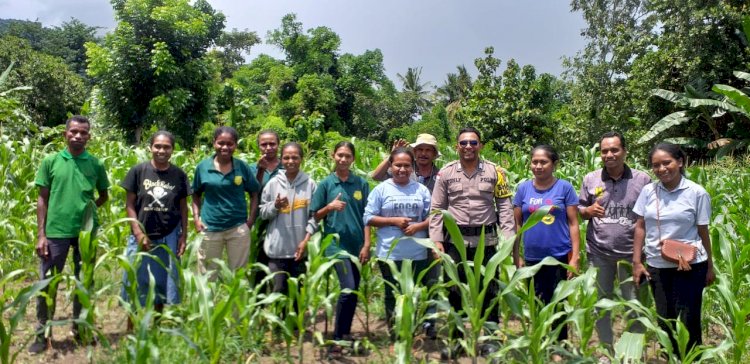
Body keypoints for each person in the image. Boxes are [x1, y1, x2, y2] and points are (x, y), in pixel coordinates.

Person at [429, 127, 516, 359]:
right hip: (454, 241)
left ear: (481, 146)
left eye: (473, 143)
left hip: (486, 241)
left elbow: (505, 207)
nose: (468, 147)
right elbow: (437, 209)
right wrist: (436, 241)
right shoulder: (446, 174)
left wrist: (508, 240)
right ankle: (457, 340)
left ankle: (490, 340)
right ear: (457, 146)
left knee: (489, 289)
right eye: (464, 143)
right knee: (454, 290)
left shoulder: (495, 172)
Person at [30, 115, 110, 354]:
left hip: (85, 233)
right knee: (47, 283)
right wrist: (41, 234)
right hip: (55, 232)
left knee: (83, 283)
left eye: (83, 133)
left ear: (89, 136)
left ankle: (81, 330)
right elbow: (42, 198)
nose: (78, 136)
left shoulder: (95, 164)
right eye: (74, 131)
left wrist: (88, 212)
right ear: (65, 134)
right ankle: (42, 335)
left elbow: (104, 195)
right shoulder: (51, 161)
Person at [632, 143, 714, 357]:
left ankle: (691, 358)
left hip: (689, 266)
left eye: (666, 162)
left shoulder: (697, 192)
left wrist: (710, 267)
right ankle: (670, 356)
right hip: (657, 265)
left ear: (680, 162)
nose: (661, 169)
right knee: (664, 317)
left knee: (688, 317)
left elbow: (703, 231)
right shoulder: (648, 191)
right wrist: (637, 262)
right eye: (656, 165)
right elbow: (640, 226)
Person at [579, 132, 651, 351]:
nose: (609, 155)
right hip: (599, 253)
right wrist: (588, 211)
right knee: (601, 305)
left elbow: (649, 217)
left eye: (614, 150)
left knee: (635, 306)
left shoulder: (642, 180)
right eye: (604, 151)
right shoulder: (591, 179)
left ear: (624, 151)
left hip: (632, 255)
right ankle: (606, 350)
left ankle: (633, 351)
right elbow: (578, 211)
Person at [512, 145, 580, 354]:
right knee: (536, 303)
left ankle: (559, 347)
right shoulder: (523, 189)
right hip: (532, 258)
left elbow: (573, 223)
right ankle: (540, 344)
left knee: (558, 304)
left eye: (544, 162)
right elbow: (517, 226)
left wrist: (575, 257)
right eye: (535, 162)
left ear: (554, 164)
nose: (538, 166)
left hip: (559, 256)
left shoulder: (564, 188)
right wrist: (517, 255)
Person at [120, 131, 190, 329]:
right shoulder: (138, 171)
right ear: (150, 148)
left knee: (161, 281)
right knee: (134, 279)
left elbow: (183, 207)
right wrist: (138, 232)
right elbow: (130, 205)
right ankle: (131, 327)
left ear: (172, 150)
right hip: (141, 236)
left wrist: (183, 235)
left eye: (166, 147)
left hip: (168, 235)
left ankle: (157, 325)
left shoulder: (178, 175)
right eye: (157, 146)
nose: (161, 150)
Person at [363, 148, 432, 340]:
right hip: (389, 254)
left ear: (412, 167)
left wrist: (418, 226)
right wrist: (393, 221)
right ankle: (395, 335)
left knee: (414, 293)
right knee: (391, 294)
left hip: (417, 253)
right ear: (391, 166)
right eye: (398, 165)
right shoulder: (381, 189)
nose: (402, 169)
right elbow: (368, 218)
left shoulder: (421, 189)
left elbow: (433, 217)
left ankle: (412, 331)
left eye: (406, 165)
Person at [310, 141, 371, 355]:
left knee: (352, 292)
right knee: (348, 288)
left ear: (353, 159)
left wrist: (367, 244)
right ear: (333, 156)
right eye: (340, 155)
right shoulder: (326, 184)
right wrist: (329, 207)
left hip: (357, 246)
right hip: (335, 246)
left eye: (347, 156)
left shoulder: (361, 184)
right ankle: (336, 339)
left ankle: (344, 334)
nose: (343, 159)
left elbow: (367, 217)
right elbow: (314, 215)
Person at [192, 126, 260, 279]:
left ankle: (236, 304)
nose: (225, 147)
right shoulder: (203, 167)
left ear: (236, 145)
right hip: (210, 228)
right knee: (207, 275)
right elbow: (195, 194)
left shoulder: (242, 167)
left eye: (230, 144)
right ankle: (208, 303)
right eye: (221, 143)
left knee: (238, 275)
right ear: (214, 143)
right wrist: (196, 219)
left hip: (238, 229)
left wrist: (249, 221)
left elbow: (254, 193)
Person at [259, 142, 317, 295]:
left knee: (297, 295)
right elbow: (263, 213)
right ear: (281, 160)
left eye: (295, 158)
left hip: (300, 251)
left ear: (301, 159)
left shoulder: (310, 185)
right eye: (286, 158)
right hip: (276, 250)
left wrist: (305, 241)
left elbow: (315, 216)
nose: (290, 161)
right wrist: (275, 206)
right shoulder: (272, 184)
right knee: (278, 294)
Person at [371, 133, 440, 192]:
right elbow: (376, 177)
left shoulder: (440, 174)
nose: (423, 153)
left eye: (428, 150)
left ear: (434, 154)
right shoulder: (404, 168)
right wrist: (392, 155)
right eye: (420, 149)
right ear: (414, 152)